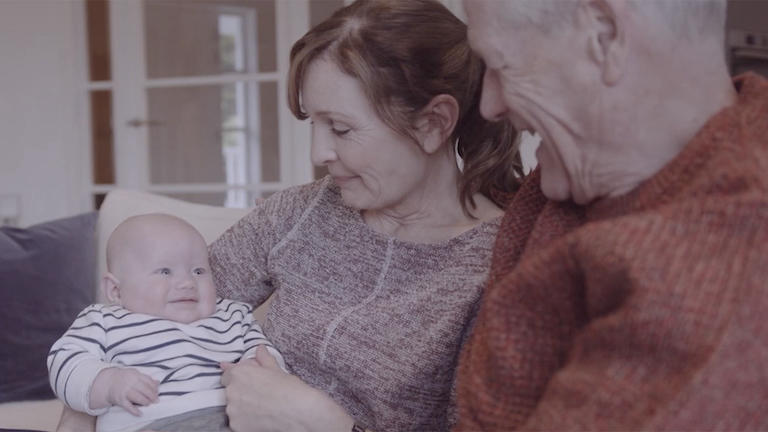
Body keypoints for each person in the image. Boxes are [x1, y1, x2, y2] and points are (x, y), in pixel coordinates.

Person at [55, 1, 522, 431]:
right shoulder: (301, 212)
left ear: (432, 122)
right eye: (314, 125)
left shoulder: (498, 267)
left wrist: (324, 424)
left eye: (341, 128)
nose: (320, 153)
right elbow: (135, 324)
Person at [454, 0, 768, 430]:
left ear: (605, 36)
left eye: (499, 64)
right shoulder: (567, 181)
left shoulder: (729, 273)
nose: (489, 105)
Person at [48, 213, 286, 432]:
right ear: (116, 290)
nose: (187, 283)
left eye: (199, 271)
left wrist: (256, 368)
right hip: (149, 422)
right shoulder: (103, 320)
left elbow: (266, 354)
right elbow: (65, 361)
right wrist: (107, 382)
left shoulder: (233, 314)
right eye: (165, 271)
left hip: (231, 419)